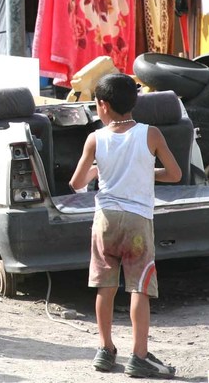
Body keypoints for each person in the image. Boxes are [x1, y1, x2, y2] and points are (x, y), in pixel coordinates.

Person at [70, 73, 182, 378]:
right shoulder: (151, 134)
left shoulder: (95, 138)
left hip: (105, 220)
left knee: (104, 288)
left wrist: (96, 172)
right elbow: (175, 174)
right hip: (137, 222)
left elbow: (76, 182)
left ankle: (105, 350)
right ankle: (139, 356)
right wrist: (146, 171)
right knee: (139, 289)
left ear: (103, 106)